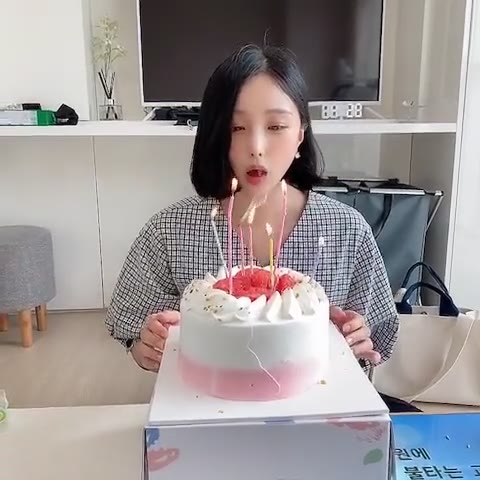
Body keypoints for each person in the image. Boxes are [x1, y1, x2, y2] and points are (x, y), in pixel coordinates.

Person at [105, 44, 400, 398]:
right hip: (208, 411)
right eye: (236, 127)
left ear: (301, 133)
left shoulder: (347, 230)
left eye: (276, 126)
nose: (256, 147)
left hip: (315, 411)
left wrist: (357, 339)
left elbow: (375, 341)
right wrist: (148, 346)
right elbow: (134, 334)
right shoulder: (168, 231)